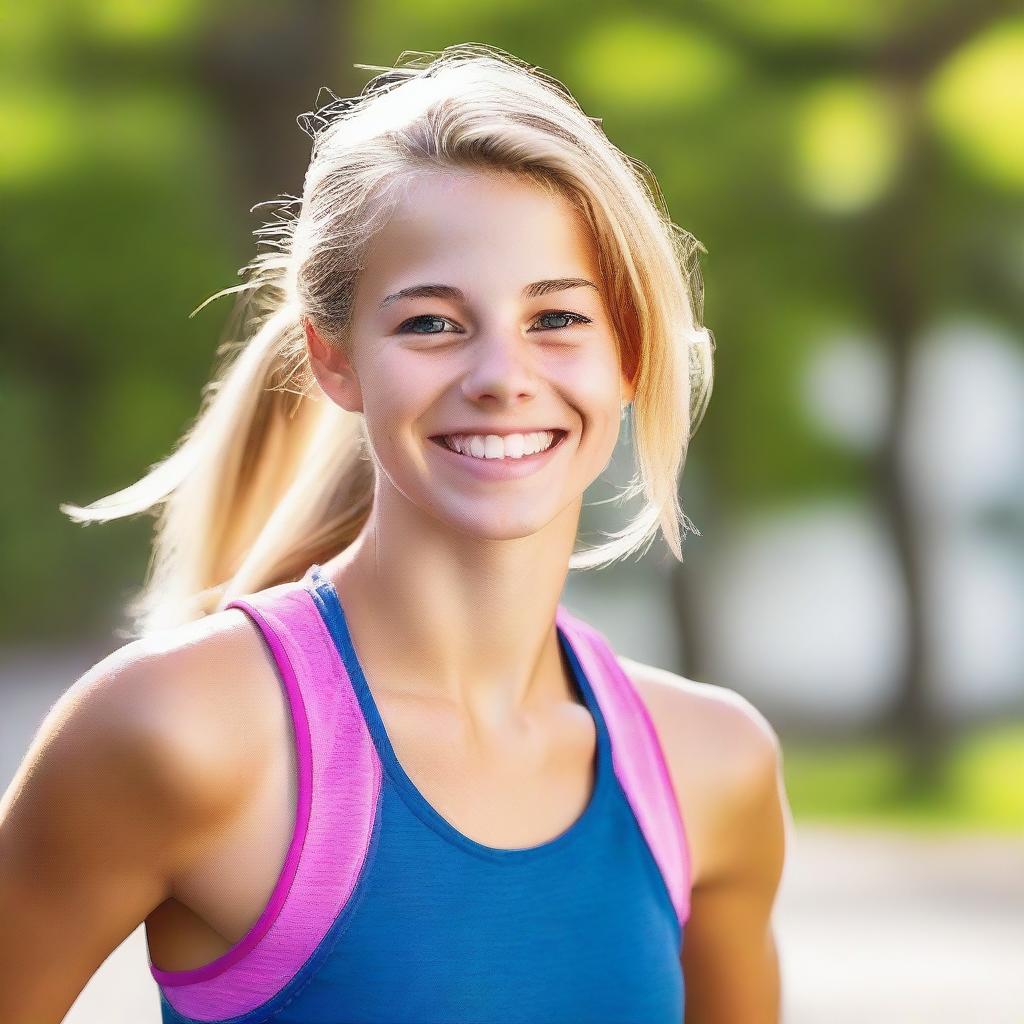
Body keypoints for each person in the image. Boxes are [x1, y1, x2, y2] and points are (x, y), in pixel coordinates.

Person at [0, 43, 790, 1023]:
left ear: (628, 352)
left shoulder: (712, 765)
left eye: (555, 318)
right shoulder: (176, 731)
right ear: (336, 361)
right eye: (430, 324)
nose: (502, 374)